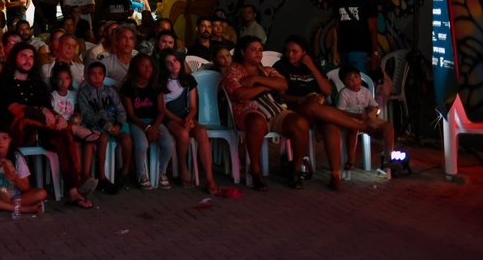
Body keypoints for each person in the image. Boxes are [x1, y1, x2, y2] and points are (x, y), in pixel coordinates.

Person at [0, 44, 93, 208]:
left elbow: (48, 109)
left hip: (40, 132)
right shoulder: (4, 83)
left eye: (31, 57)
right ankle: (75, 129)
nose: (27, 60)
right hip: (13, 134)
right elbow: (14, 108)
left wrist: (58, 117)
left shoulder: (37, 84)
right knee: (26, 120)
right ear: (14, 58)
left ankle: (74, 190)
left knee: (63, 136)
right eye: (23, 56)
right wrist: (42, 113)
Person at [274, 35, 372, 190]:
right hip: (296, 108)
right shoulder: (281, 66)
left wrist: (311, 66)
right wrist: (302, 98)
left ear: (304, 53)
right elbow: (280, 94)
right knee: (312, 106)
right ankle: (363, 126)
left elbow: (326, 91)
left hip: (317, 108)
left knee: (331, 126)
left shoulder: (313, 65)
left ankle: (335, 176)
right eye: (287, 51)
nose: (290, 55)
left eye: (295, 51)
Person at [223, 36, 310, 190]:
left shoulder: (266, 70)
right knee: (256, 123)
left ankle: (295, 171)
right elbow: (240, 95)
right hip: (249, 111)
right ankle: (255, 172)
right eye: (253, 49)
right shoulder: (233, 70)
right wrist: (266, 87)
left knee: (300, 123)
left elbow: (283, 85)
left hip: (274, 111)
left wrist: (257, 80)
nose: (258, 53)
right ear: (243, 52)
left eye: (260, 50)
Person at [158, 51, 219, 194]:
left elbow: (193, 107)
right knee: (183, 134)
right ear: (164, 66)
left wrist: (189, 119)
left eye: (176, 61)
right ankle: (182, 167)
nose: (173, 65)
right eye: (169, 63)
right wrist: (181, 121)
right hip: (169, 117)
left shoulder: (188, 79)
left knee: (202, 133)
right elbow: (163, 109)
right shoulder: (161, 81)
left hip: (186, 116)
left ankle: (210, 178)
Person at [120, 54, 175, 190]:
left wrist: (154, 127)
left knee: (168, 143)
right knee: (141, 144)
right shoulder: (128, 87)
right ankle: (141, 174)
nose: (147, 69)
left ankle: (161, 172)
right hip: (137, 122)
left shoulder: (156, 85)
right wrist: (147, 128)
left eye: (149, 66)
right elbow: (131, 115)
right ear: (135, 69)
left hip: (155, 121)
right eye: (143, 66)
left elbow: (162, 111)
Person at [76, 62, 131, 191]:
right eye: (93, 74)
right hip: (97, 125)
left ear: (104, 76)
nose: (96, 77)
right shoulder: (83, 93)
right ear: (88, 76)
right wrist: (102, 123)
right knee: (103, 139)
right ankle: (102, 177)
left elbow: (120, 110)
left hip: (115, 122)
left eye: (100, 74)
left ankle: (125, 172)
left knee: (127, 139)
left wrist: (118, 124)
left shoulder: (110, 91)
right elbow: (86, 113)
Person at [337, 65, 397, 179]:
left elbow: (374, 106)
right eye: (350, 79)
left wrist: (373, 112)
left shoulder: (366, 91)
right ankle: (350, 161)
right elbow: (340, 112)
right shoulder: (344, 94)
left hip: (366, 119)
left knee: (388, 126)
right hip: (351, 119)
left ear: (360, 77)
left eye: (356, 77)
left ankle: (388, 158)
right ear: (344, 83)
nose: (354, 81)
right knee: (353, 128)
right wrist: (356, 115)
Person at [0, 126, 46, 215]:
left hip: (15, 196)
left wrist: (15, 178)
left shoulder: (17, 158)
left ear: (10, 140)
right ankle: (24, 209)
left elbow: (26, 188)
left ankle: (3, 206)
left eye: (4, 138)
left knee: (41, 193)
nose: (0, 142)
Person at [329, 0, 381, 73]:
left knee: (359, 82)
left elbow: (373, 29)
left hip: (360, 50)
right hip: (343, 49)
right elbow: (336, 28)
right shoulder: (338, 1)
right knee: (345, 81)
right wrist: (335, 51)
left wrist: (374, 52)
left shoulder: (366, 2)